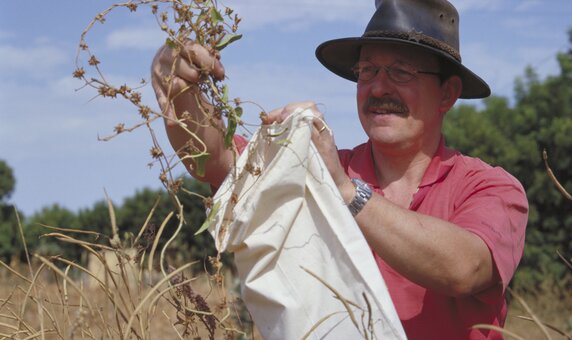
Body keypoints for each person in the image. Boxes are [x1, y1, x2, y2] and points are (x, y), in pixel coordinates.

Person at [151, 0, 528, 338]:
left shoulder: (489, 187)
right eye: (367, 71)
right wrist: (176, 84)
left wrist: (347, 192)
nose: (378, 88)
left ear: (448, 93)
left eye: (401, 72)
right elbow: (215, 161)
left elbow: (464, 268)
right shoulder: (317, 168)